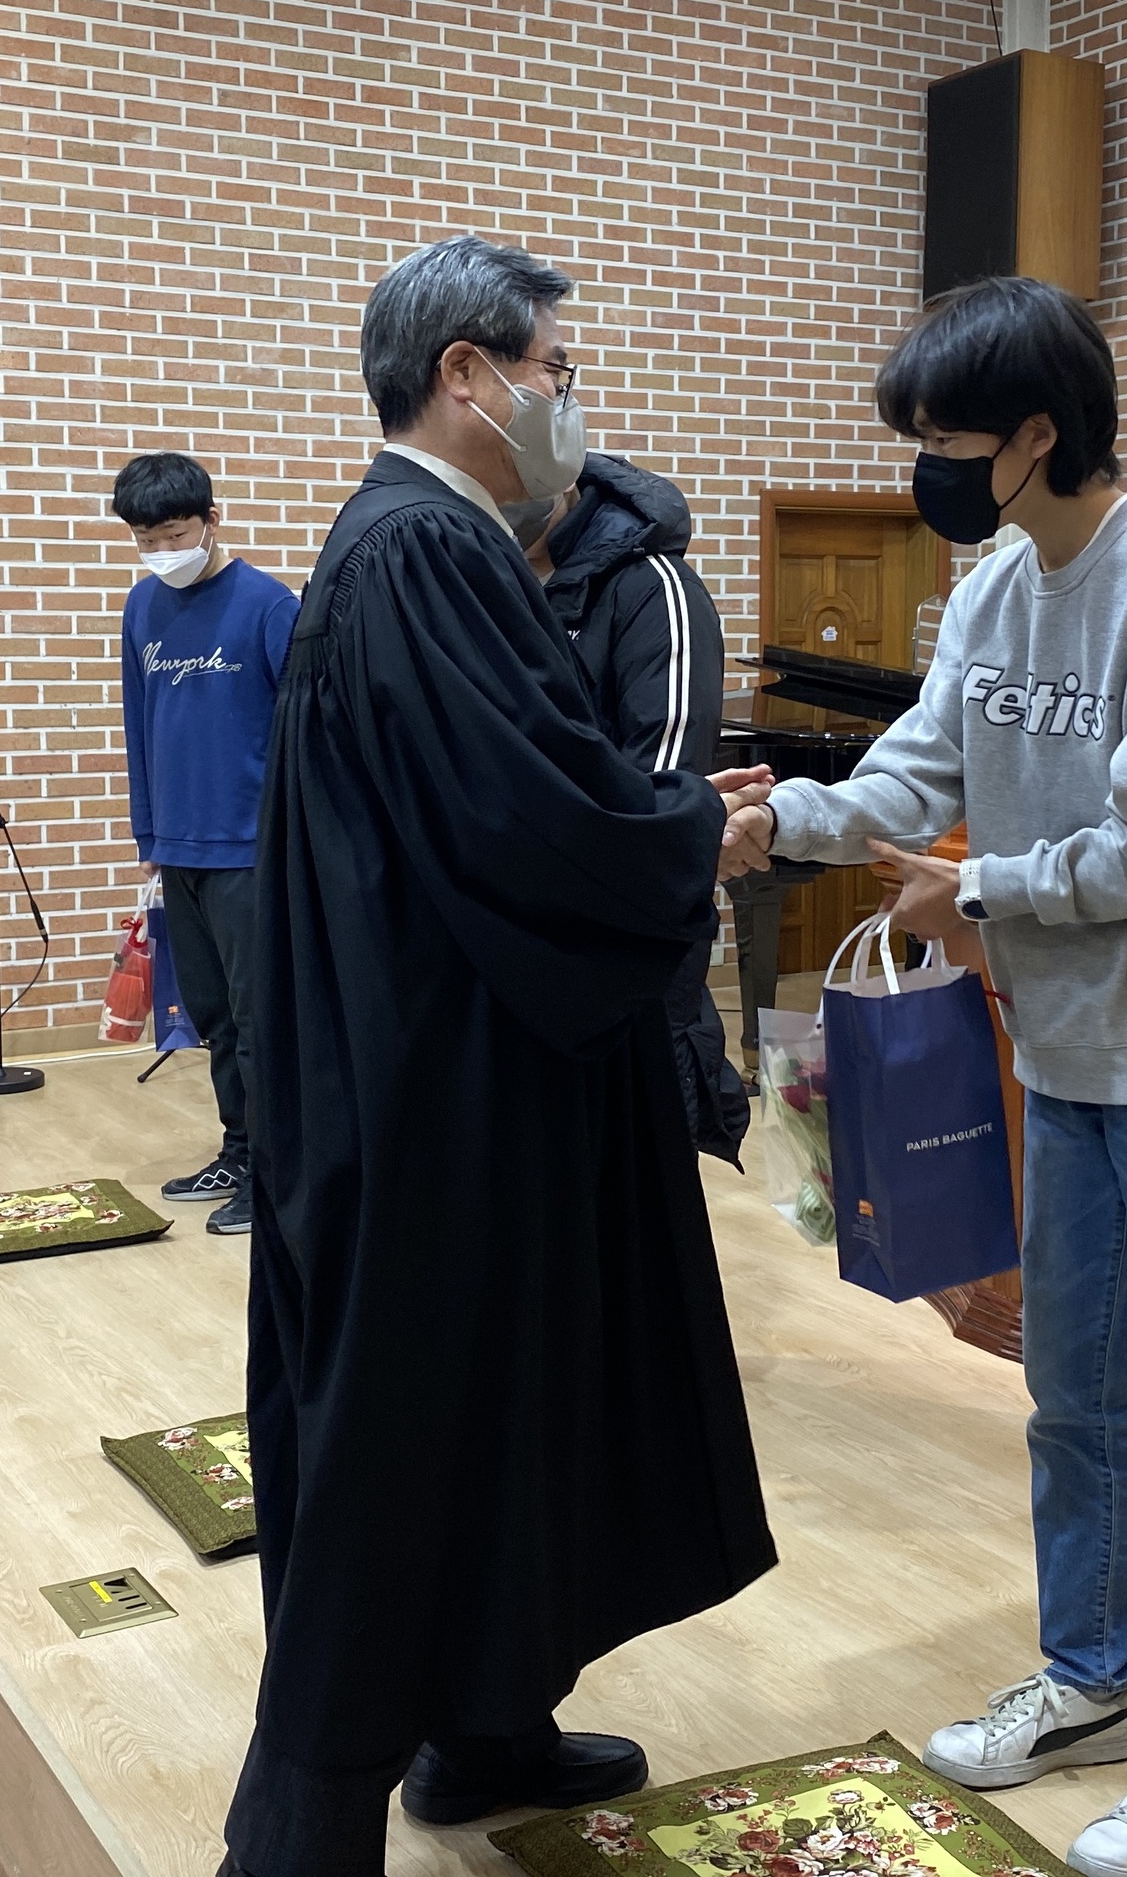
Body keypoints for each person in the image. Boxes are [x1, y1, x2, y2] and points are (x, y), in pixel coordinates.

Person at [721, 276, 1127, 1877]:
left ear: (1036, 433)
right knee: (1068, 1396)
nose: (926, 466)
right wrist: (780, 818)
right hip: (1061, 1047)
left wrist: (977, 891)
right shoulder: (991, 590)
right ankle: (1087, 1682)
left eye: (945, 437)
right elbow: (916, 770)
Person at [219, 236, 778, 1877]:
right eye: (552, 368)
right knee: (404, 1438)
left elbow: (522, 783)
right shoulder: (420, 549)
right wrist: (685, 840)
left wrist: (656, 818)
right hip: (430, 1096)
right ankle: (295, 1834)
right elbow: (521, 816)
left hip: (459, 1060)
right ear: (465, 373)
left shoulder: (424, 543)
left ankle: (486, 1727)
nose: (565, 399)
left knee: (504, 1410)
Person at [525, 452, 750, 1162]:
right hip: (533, 937)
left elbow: (663, 789)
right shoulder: (497, 581)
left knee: (641, 1158)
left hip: (628, 934)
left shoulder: (653, 585)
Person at [113, 451, 299, 1237]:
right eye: (146, 540)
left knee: (261, 1023)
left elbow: (304, 736)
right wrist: (148, 832)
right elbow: (139, 724)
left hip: (251, 851)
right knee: (214, 1018)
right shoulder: (141, 606)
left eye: (175, 534)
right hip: (179, 850)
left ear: (212, 520)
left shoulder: (269, 606)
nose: (162, 552)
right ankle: (238, 1150)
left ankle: (277, 1177)